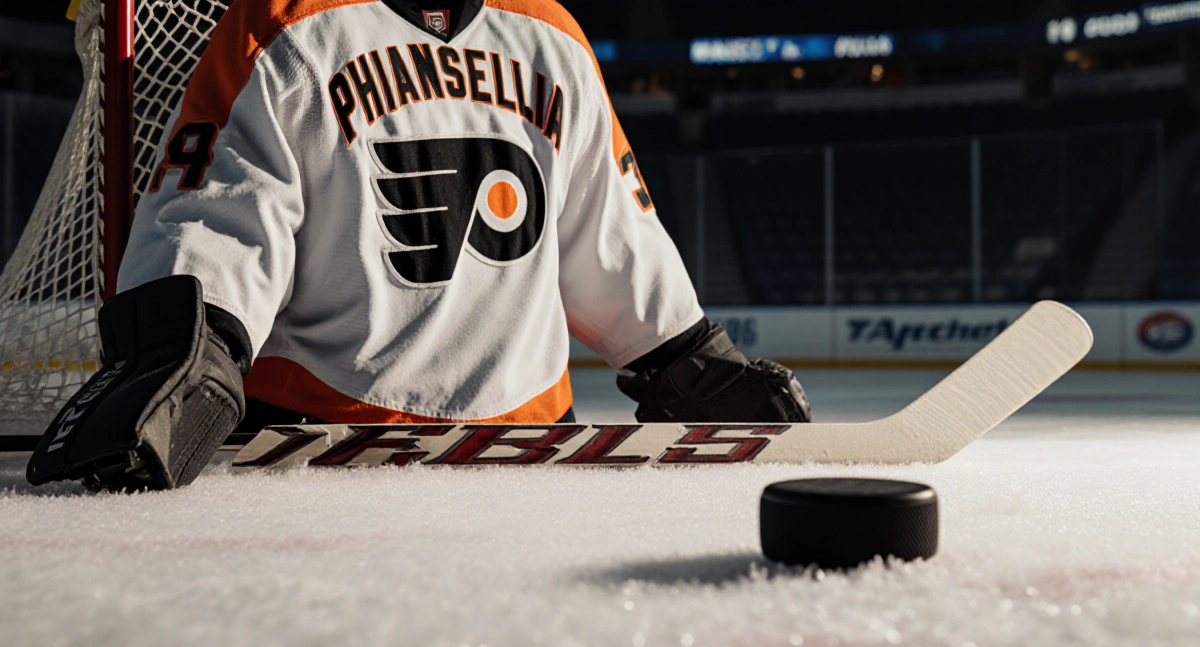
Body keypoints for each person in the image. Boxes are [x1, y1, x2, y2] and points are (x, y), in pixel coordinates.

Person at [26, 0, 810, 492]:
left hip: (530, 452)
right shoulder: (280, 22)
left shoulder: (553, 34)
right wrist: (182, 352)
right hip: (320, 447)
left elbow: (607, 228)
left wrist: (682, 357)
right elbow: (222, 214)